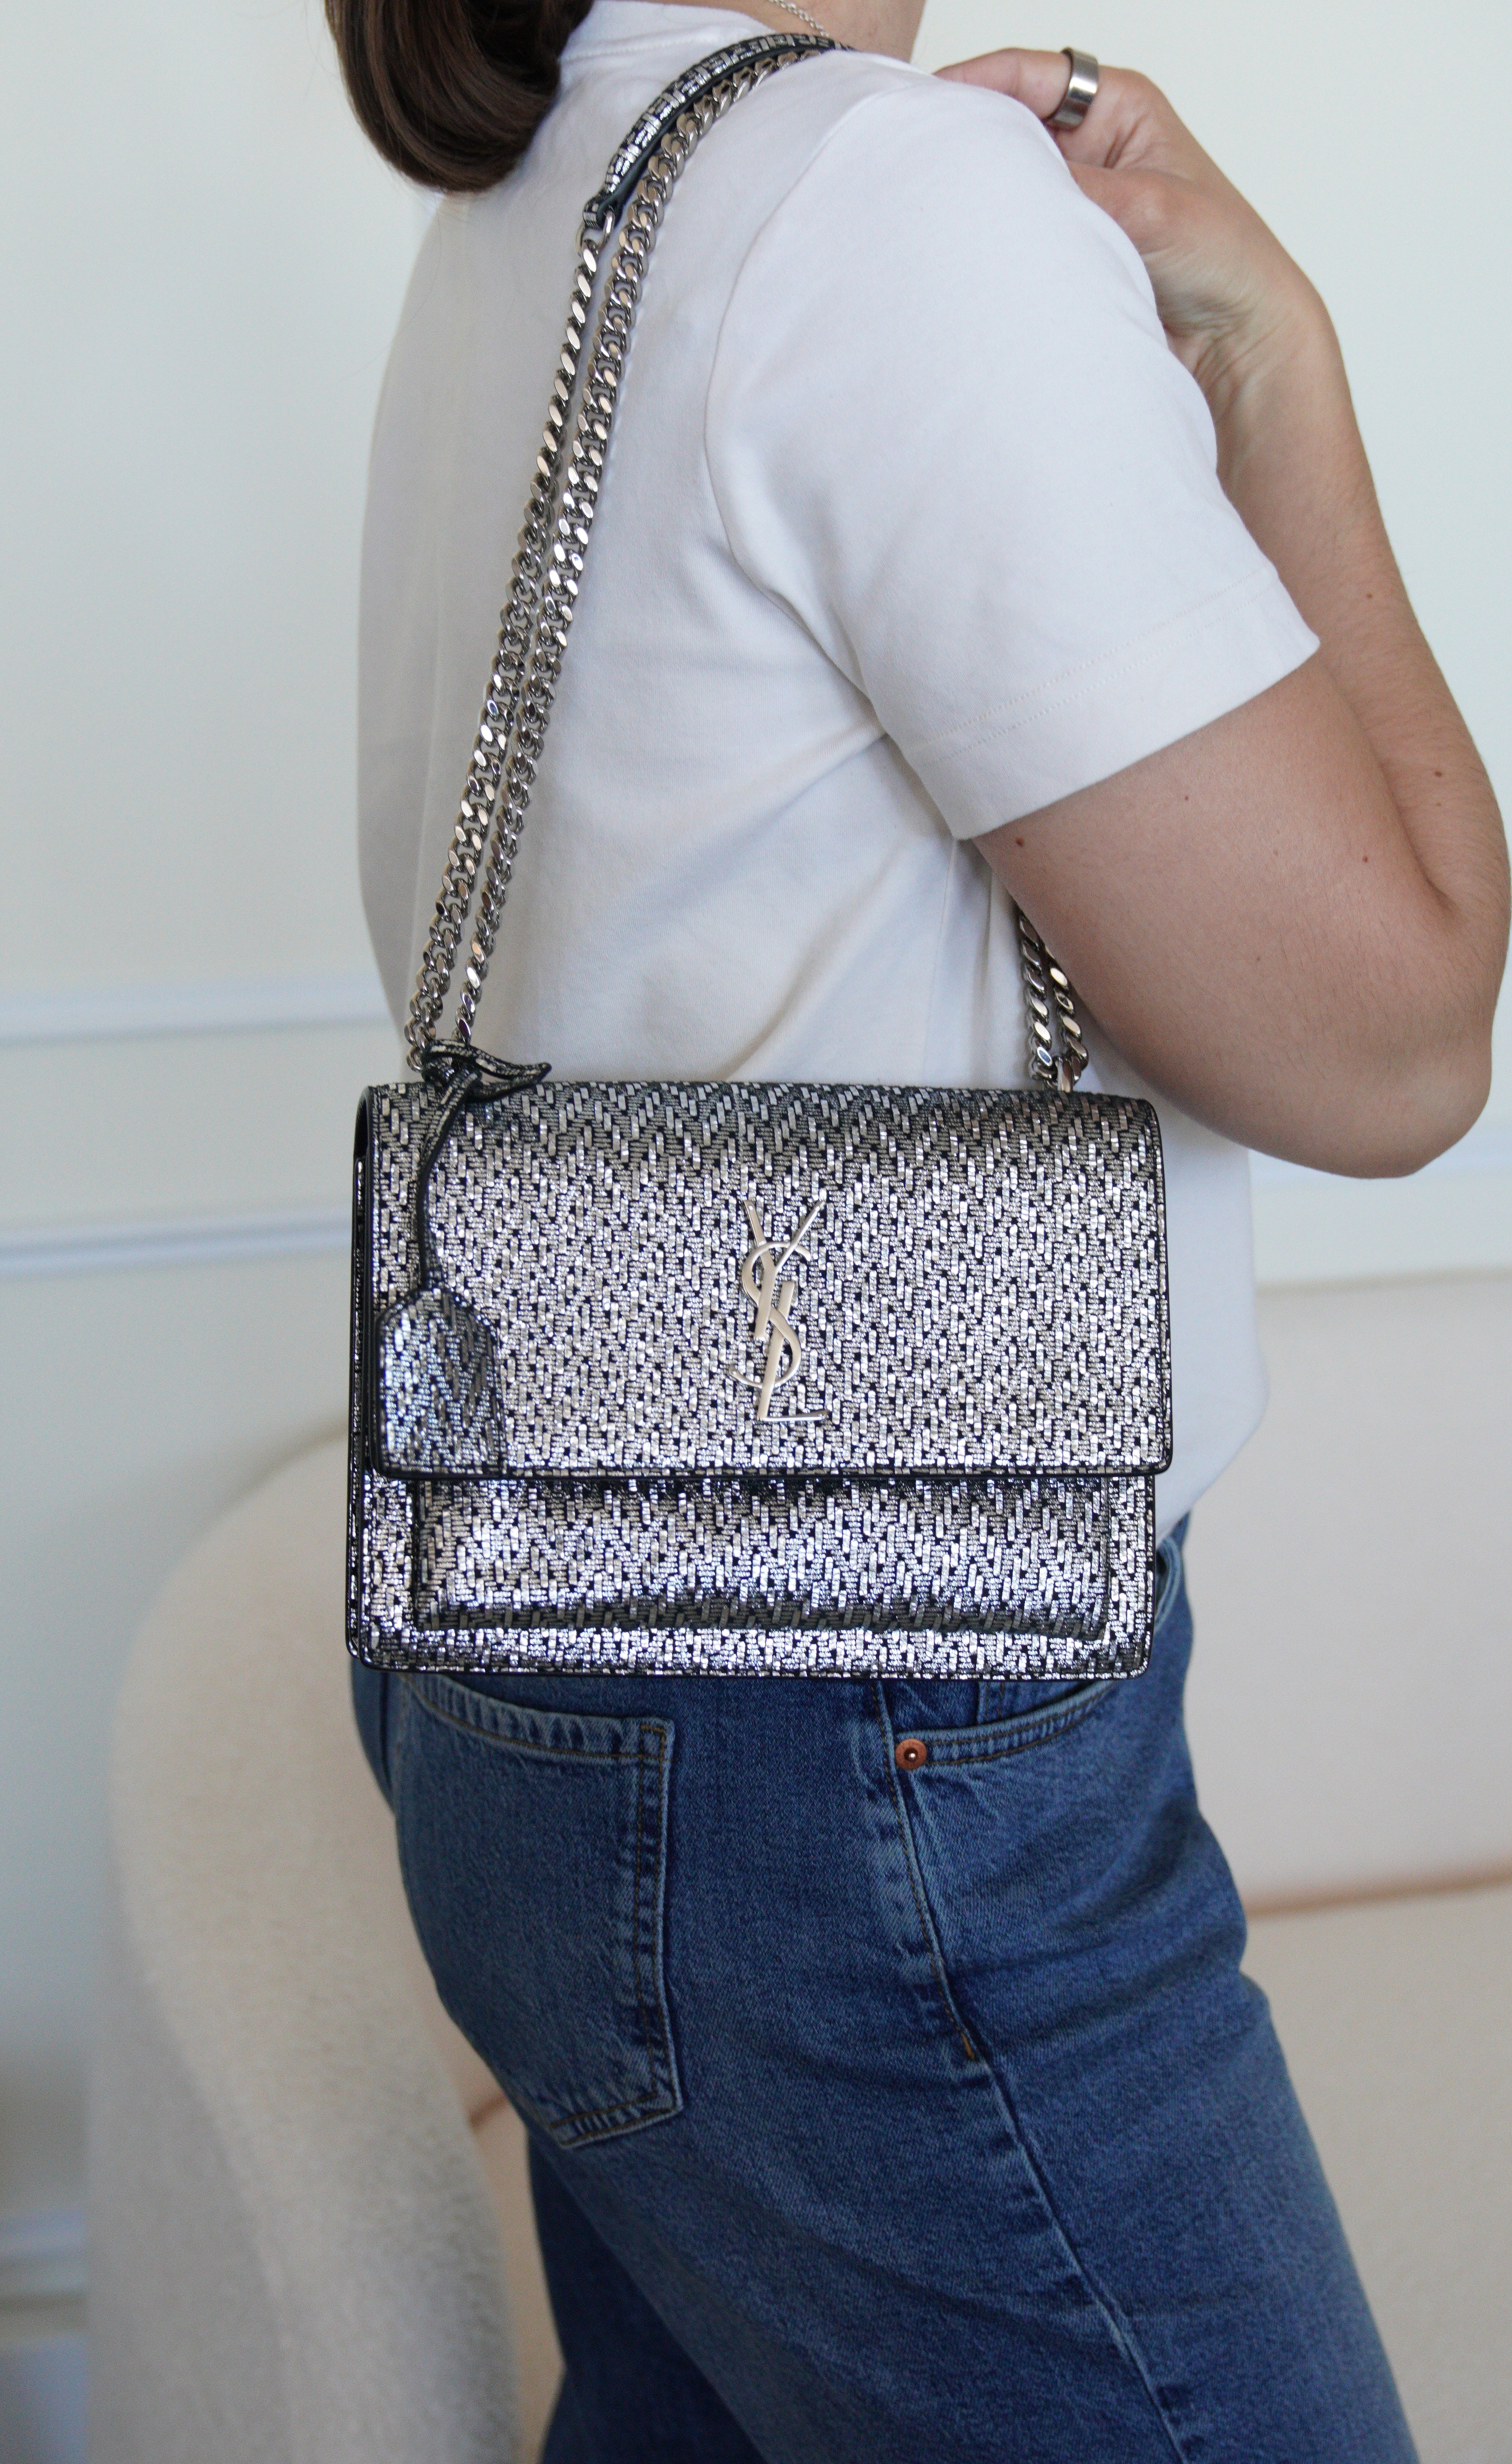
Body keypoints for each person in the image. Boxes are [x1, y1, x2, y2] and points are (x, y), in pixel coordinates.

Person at [331, 0, 1508, 2452]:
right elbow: (1395, 1041)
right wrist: (1278, 372)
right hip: (855, 1750)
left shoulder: (563, 178)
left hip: (545, 1672)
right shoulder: (881, 198)